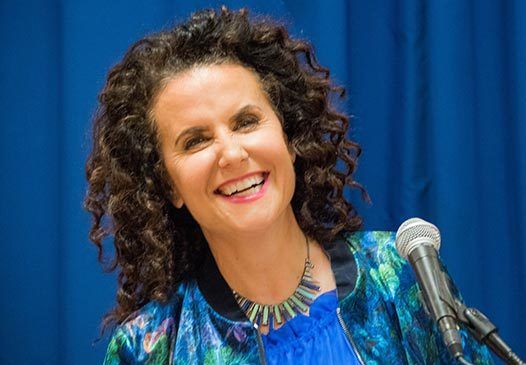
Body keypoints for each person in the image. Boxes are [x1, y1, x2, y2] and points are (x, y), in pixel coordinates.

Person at [85, 7, 493, 365]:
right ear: (167, 185)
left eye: (246, 122)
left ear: (289, 137)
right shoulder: (149, 348)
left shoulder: (399, 276)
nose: (231, 153)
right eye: (196, 141)